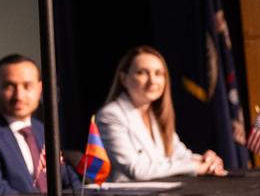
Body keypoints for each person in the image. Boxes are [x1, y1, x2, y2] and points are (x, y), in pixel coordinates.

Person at [0, 53, 80, 196]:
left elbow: (69, 181)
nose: (19, 96)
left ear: (40, 89)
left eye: (27, 86)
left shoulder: (41, 129)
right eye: (9, 86)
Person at [95, 45, 226, 181]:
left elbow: (179, 155)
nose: (152, 81)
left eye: (158, 73)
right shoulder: (110, 115)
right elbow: (136, 170)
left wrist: (205, 161)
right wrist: (194, 166)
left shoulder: (155, 114)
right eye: (142, 72)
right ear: (123, 79)